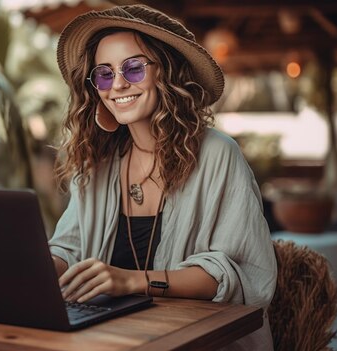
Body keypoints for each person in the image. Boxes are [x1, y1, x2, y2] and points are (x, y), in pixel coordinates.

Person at [48, 5, 277, 350]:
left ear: (165, 73)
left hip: (196, 340)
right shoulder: (97, 163)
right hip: (111, 339)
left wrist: (130, 282)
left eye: (134, 68)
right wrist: (31, 266)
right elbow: (69, 247)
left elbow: (235, 275)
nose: (119, 84)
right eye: (105, 74)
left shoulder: (218, 155)